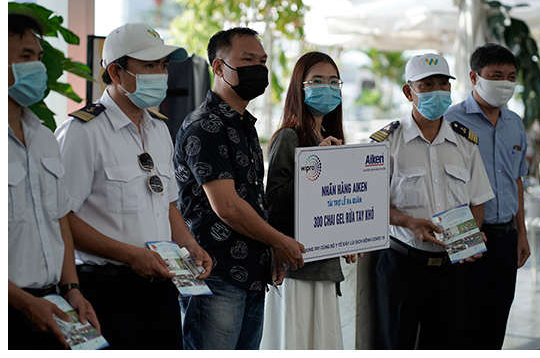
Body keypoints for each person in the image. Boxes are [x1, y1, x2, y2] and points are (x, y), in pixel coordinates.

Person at [54, 23, 212, 350]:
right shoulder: (83, 131)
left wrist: (189, 246)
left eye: (164, 66)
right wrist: (129, 255)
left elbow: (167, 204)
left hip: (162, 287)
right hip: (107, 289)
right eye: (149, 66)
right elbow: (62, 217)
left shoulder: (159, 129)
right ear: (116, 71)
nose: (161, 74)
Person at [174, 27, 306, 350]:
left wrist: (270, 248)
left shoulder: (244, 125)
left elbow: (253, 201)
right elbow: (227, 206)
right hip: (215, 275)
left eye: (262, 61)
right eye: (247, 60)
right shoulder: (204, 125)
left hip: (251, 274)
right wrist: (279, 240)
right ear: (218, 67)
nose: (259, 69)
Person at [371, 53, 494, 349]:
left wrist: (468, 236)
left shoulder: (465, 144)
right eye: (426, 85)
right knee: (395, 344)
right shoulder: (386, 143)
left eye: (443, 84)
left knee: (445, 344)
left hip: (452, 268)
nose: (436, 91)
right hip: (401, 263)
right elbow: (371, 204)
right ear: (408, 91)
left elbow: (477, 203)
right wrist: (409, 222)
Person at [8, 13, 100, 349]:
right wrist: (23, 303)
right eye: (25, 56)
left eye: (39, 57)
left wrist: (72, 288)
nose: (37, 67)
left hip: (52, 303)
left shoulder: (45, 137)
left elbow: (59, 219)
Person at [261, 51, 361, 350]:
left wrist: (348, 239)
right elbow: (274, 204)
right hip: (298, 270)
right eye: (317, 80)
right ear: (299, 87)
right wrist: (318, 164)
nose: (326, 87)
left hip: (326, 269)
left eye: (333, 81)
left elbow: (333, 204)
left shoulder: (329, 136)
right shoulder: (289, 137)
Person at [444, 43, 530, 349]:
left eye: (511, 77)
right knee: (462, 322)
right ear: (474, 76)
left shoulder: (515, 124)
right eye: (496, 75)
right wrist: (460, 239)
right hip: (467, 234)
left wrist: (522, 233)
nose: (505, 83)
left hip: (506, 237)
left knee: (496, 321)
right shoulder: (451, 122)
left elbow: (516, 181)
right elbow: (444, 186)